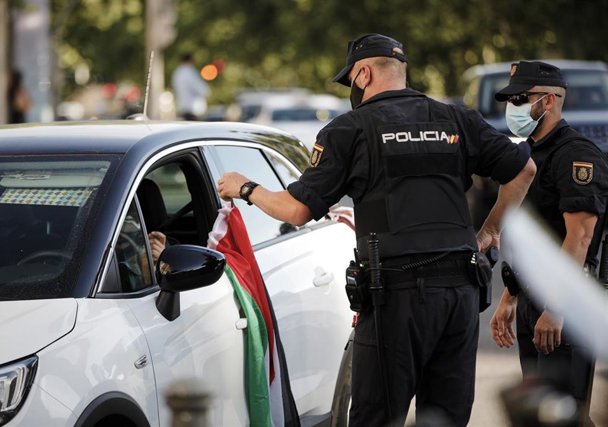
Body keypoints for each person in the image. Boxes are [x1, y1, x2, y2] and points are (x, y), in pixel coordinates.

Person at [217, 33, 536, 426]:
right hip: (460, 292)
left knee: (376, 418)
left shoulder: (350, 130)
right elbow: (524, 170)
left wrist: (245, 188)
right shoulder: (456, 118)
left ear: (364, 73)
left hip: (397, 298)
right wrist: (488, 232)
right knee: (447, 418)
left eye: (350, 78)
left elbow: (297, 210)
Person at [490, 61, 608, 426]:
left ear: (550, 100)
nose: (514, 107)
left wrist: (556, 309)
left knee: (564, 414)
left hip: (564, 305)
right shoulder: (527, 154)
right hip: (532, 300)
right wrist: (510, 298)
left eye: (521, 99)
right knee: (537, 413)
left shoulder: (576, 155)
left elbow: (581, 236)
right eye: (511, 99)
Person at [171, 53, 210, 120]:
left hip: (182, 108)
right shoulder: (190, 72)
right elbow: (201, 89)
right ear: (190, 60)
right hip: (193, 109)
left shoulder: (177, 73)